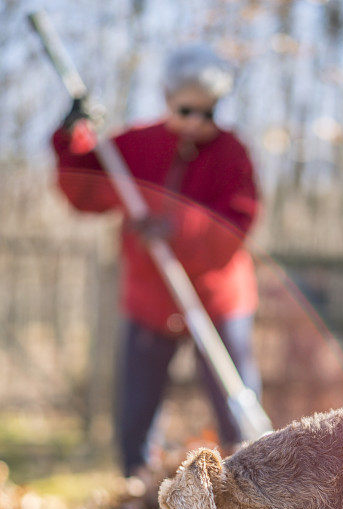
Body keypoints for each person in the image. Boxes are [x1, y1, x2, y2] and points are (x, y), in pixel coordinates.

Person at [51, 45, 261, 477]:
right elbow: (84, 189)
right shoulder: (138, 145)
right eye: (188, 110)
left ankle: (252, 489)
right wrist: (71, 135)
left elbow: (236, 224)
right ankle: (138, 491)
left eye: (209, 112)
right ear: (168, 99)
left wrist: (178, 227)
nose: (199, 123)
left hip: (216, 300)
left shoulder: (231, 153)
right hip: (150, 300)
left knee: (235, 408)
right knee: (136, 413)